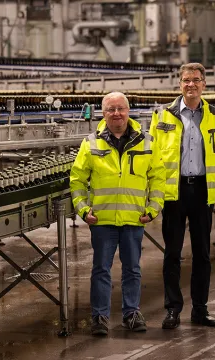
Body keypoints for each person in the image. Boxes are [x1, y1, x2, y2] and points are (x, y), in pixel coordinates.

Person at [70, 91, 166, 336]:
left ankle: (131, 313)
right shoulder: (91, 143)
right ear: (103, 114)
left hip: (134, 218)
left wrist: (154, 208)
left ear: (128, 111)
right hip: (102, 220)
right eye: (111, 109)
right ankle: (99, 317)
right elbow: (77, 181)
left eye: (121, 109)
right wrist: (82, 209)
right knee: (101, 269)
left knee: (132, 268)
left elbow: (157, 179)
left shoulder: (147, 141)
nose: (116, 114)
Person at [149, 63, 215, 329]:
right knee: (172, 253)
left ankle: (200, 309)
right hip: (174, 192)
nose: (191, 85)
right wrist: (155, 195)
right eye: (186, 80)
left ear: (204, 84)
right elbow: (152, 158)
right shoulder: (161, 115)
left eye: (196, 80)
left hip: (203, 192)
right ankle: (173, 309)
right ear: (179, 84)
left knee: (203, 254)